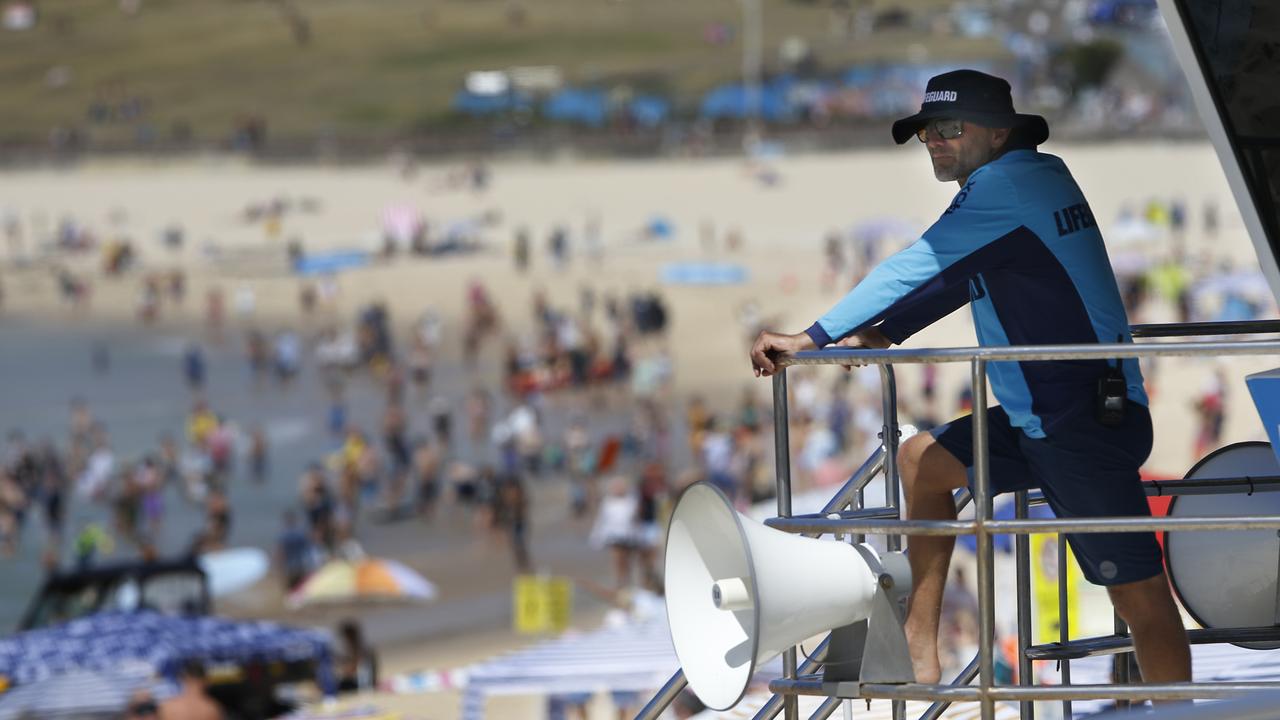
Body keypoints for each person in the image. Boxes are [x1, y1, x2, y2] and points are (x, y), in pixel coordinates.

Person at [749, 70, 1190, 688]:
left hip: (1083, 423)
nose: (935, 141)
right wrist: (886, 332)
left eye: (951, 128)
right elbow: (963, 275)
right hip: (1041, 419)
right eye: (927, 131)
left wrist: (808, 338)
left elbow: (916, 264)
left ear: (998, 130)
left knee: (1140, 603)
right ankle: (921, 653)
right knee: (921, 464)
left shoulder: (1004, 186)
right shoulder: (1035, 176)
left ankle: (1182, 709)